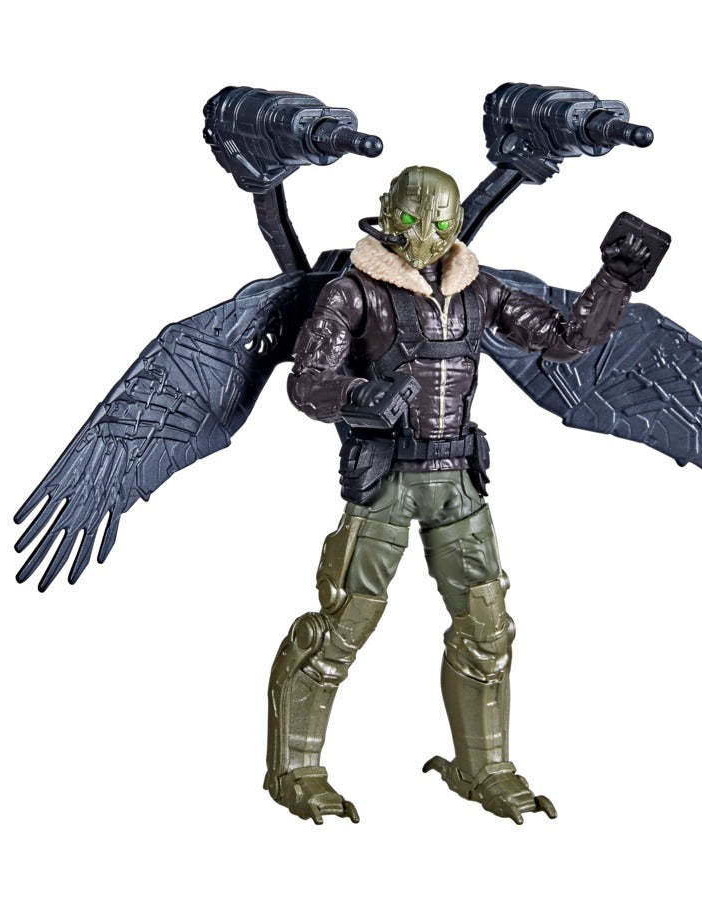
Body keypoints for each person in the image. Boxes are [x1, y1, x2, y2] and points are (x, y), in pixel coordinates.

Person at [266, 165, 650, 823]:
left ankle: (484, 766)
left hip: (457, 482)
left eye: (440, 221)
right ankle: (294, 770)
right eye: (412, 219)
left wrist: (614, 280)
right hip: (385, 482)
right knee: (343, 625)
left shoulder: (479, 288)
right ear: (387, 214)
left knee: (487, 626)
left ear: (457, 224)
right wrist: (360, 395)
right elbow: (306, 383)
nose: (426, 232)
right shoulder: (353, 292)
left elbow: (564, 340)